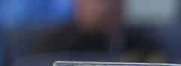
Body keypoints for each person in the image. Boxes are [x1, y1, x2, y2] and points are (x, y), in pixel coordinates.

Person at [30, 0, 160, 55]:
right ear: (78, 4)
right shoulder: (54, 46)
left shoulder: (143, 46)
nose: (106, 8)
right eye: (99, 1)